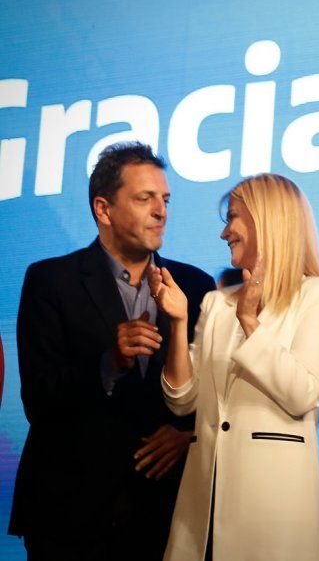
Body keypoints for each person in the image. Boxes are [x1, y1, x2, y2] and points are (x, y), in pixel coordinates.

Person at [8, 142, 214, 560]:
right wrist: (108, 363)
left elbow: (216, 392)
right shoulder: (50, 280)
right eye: (145, 198)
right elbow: (39, 401)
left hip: (164, 516)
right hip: (71, 515)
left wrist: (187, 433)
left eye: (165, 199)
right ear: (103, 210)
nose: (161, 210)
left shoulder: (195, 286)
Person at [150, 173, 319, 560]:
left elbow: (302, 394)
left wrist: (250, 323)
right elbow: (182, 401)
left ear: (266, 219)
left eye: (232, 217)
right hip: (202, 508)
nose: (224, 233)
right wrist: (179, 320)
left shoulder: (318, 295)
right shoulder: (216, 303)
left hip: (272, 513)